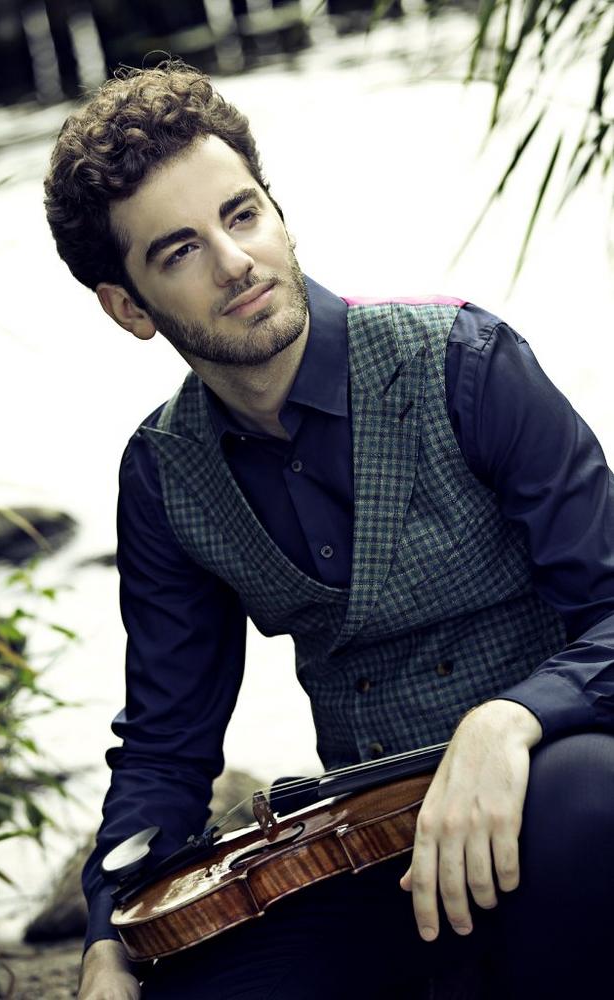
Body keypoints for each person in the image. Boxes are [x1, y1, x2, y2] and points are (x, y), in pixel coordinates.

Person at [44, 59, 614, 1000]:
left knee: (592, 803)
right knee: (192, 983)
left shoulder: (466, 364)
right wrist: (108, 935)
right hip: (373, 843)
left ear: (277, 212)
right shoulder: (162, 474)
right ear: (128, 307)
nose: (235, 263)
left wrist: (512, 718)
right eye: (179, 251)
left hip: (559, 792)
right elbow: (166, 745)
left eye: (241, 215)